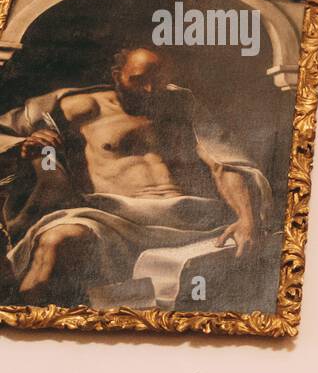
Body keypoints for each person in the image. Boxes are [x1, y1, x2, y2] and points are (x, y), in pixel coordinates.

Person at [0, 47, 271, 306]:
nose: (150, 89)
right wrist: (34, 143)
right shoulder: (79, 107)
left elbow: (222, 162)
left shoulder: (183, 106)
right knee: (56, 242)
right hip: (113, 216)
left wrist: (246, 218)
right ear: (116, 74)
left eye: (157, 81)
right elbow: (13, 136)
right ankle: (19, 331)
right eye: (138, 80)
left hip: (187, 216)